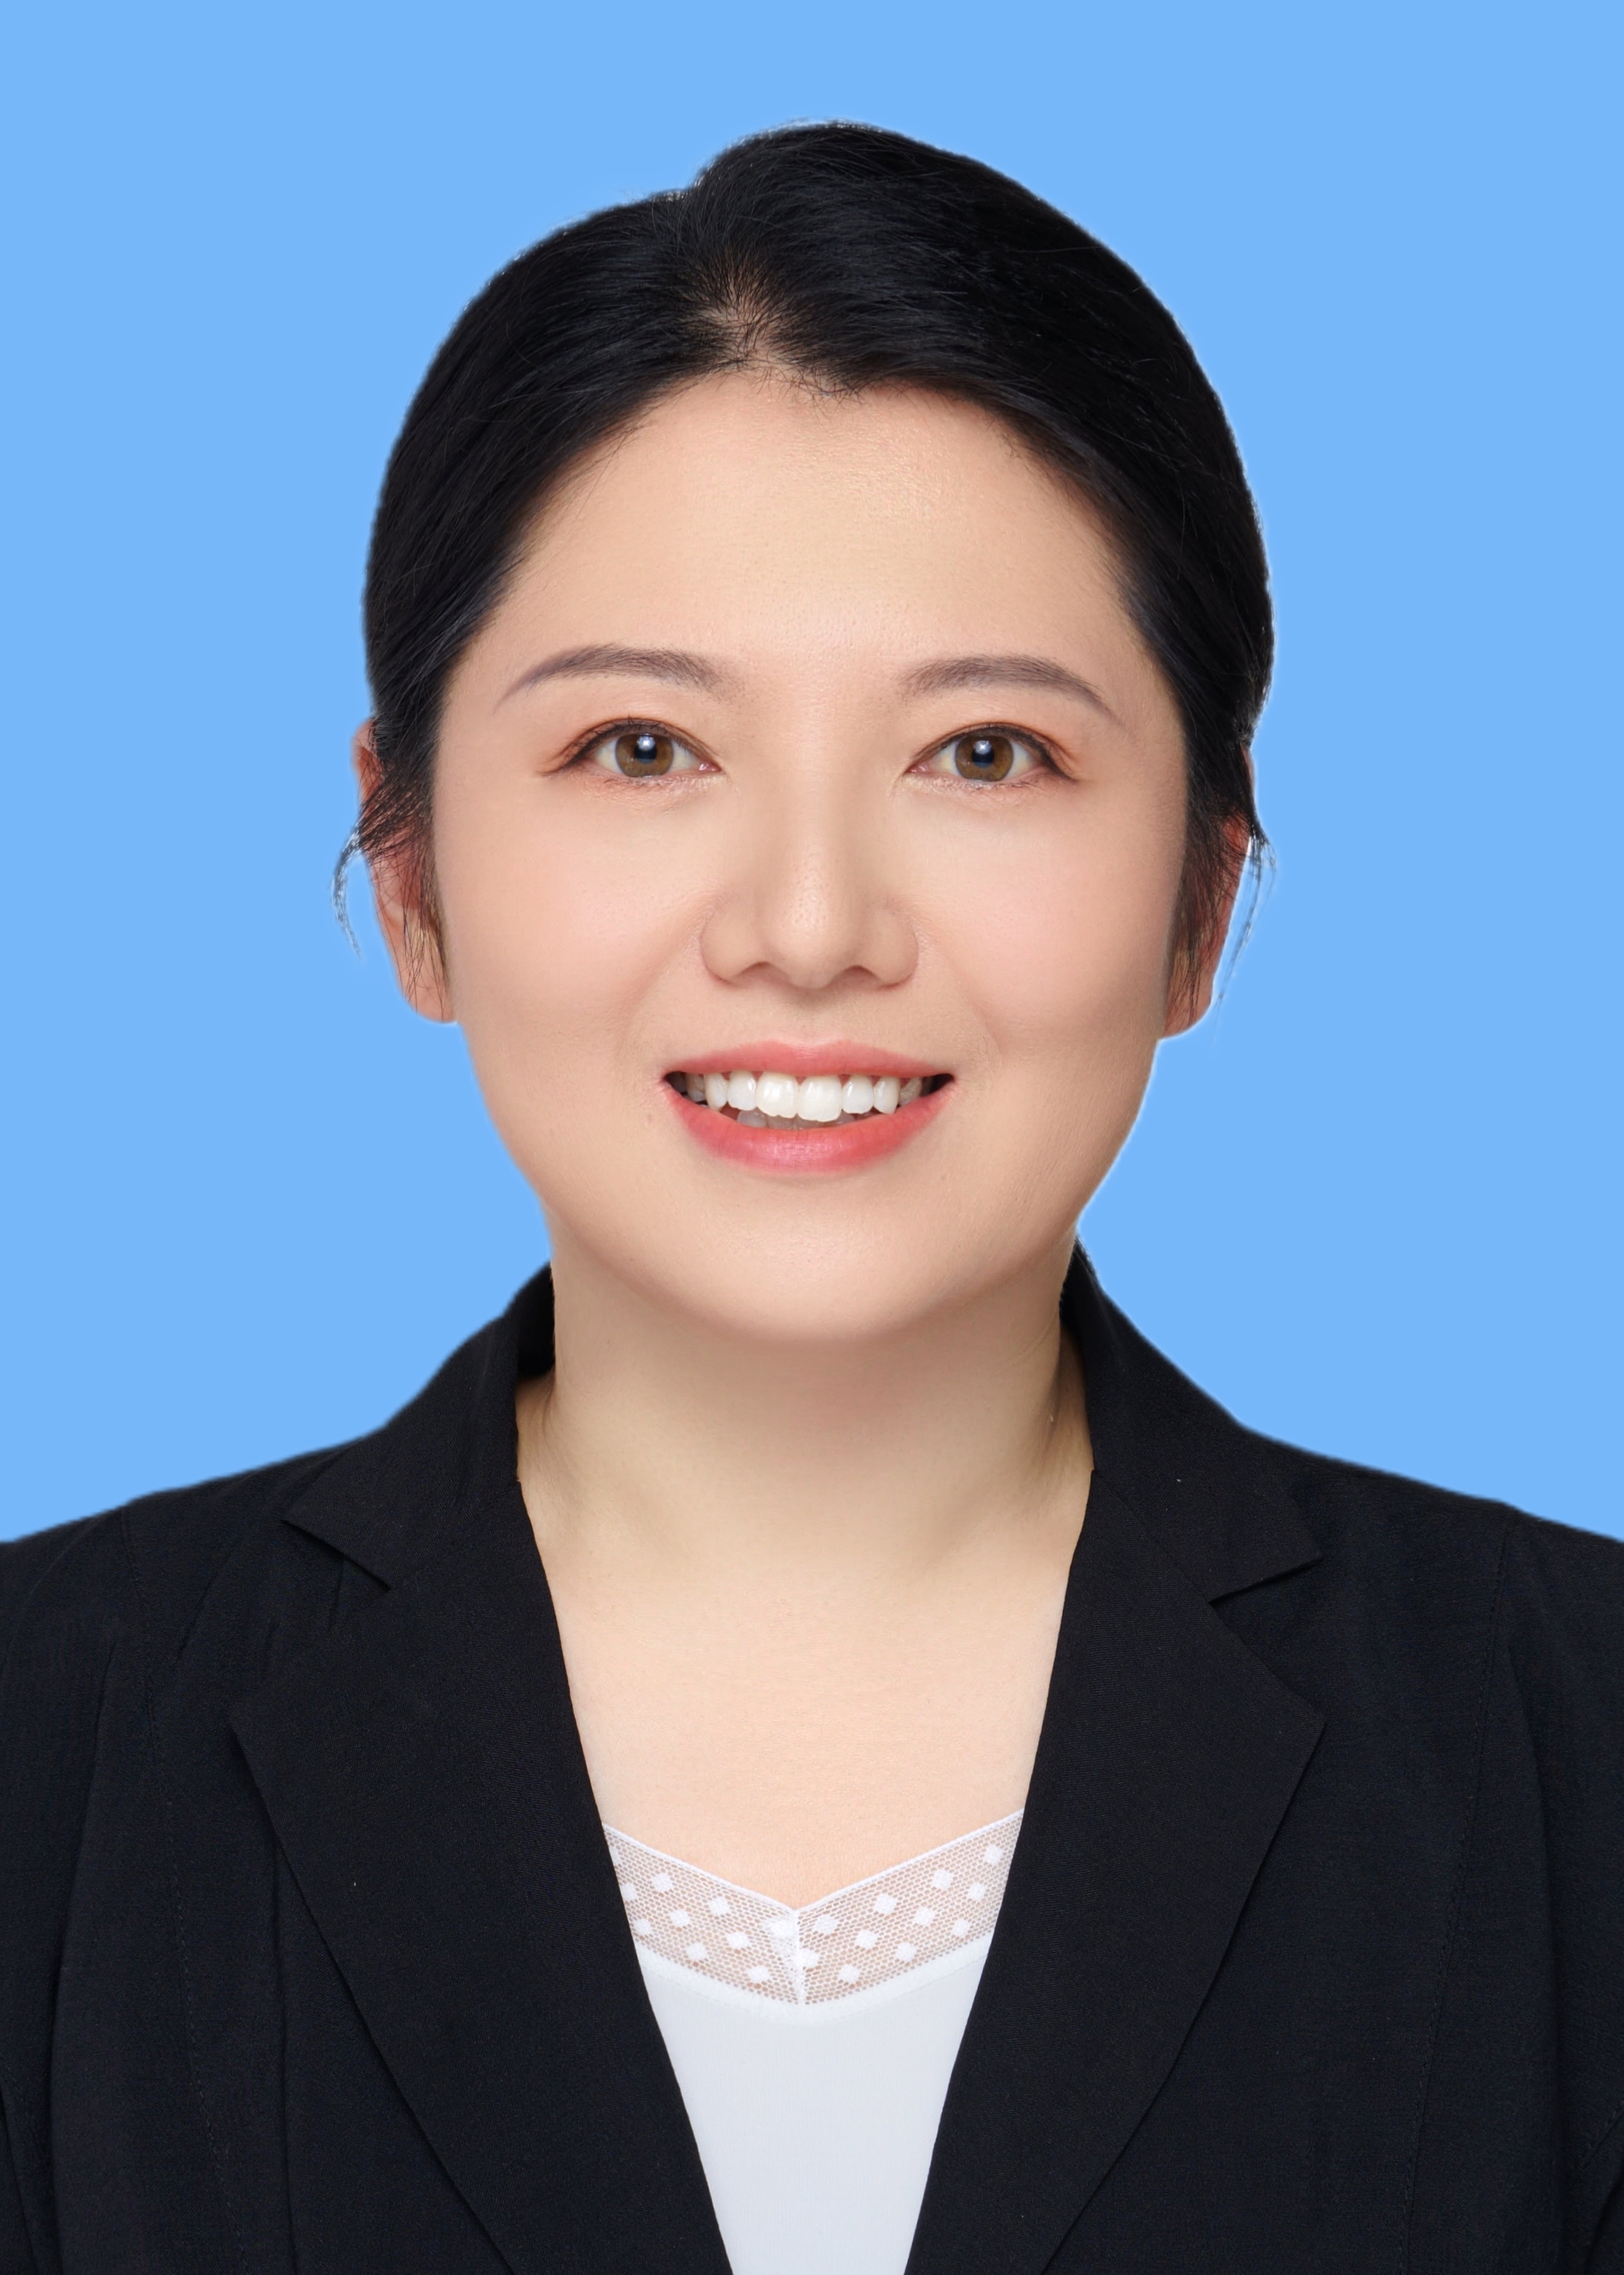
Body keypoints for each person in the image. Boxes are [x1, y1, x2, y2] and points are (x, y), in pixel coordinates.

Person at [2, 122, 1621, 2275]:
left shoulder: (1575, 1748)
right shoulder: (45, 1752)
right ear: (408, 872)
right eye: (642, 749)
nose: (809, 926)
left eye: (987, 754)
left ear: (1206, 898)